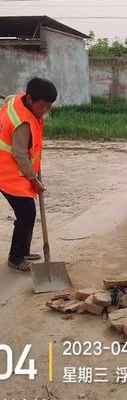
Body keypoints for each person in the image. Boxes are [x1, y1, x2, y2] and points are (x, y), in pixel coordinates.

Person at [0, 78, 57, 271]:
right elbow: (20, 154)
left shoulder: (19, 100)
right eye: (42, 107)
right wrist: (34, 180)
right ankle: (15, 258)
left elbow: (9, 98)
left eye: (48, 107)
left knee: (27, 213)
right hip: (7, 172)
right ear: (31, 99)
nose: (44, 112)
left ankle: (22, 251)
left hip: (15, 167)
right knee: (26, 213)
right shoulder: (22, 122)